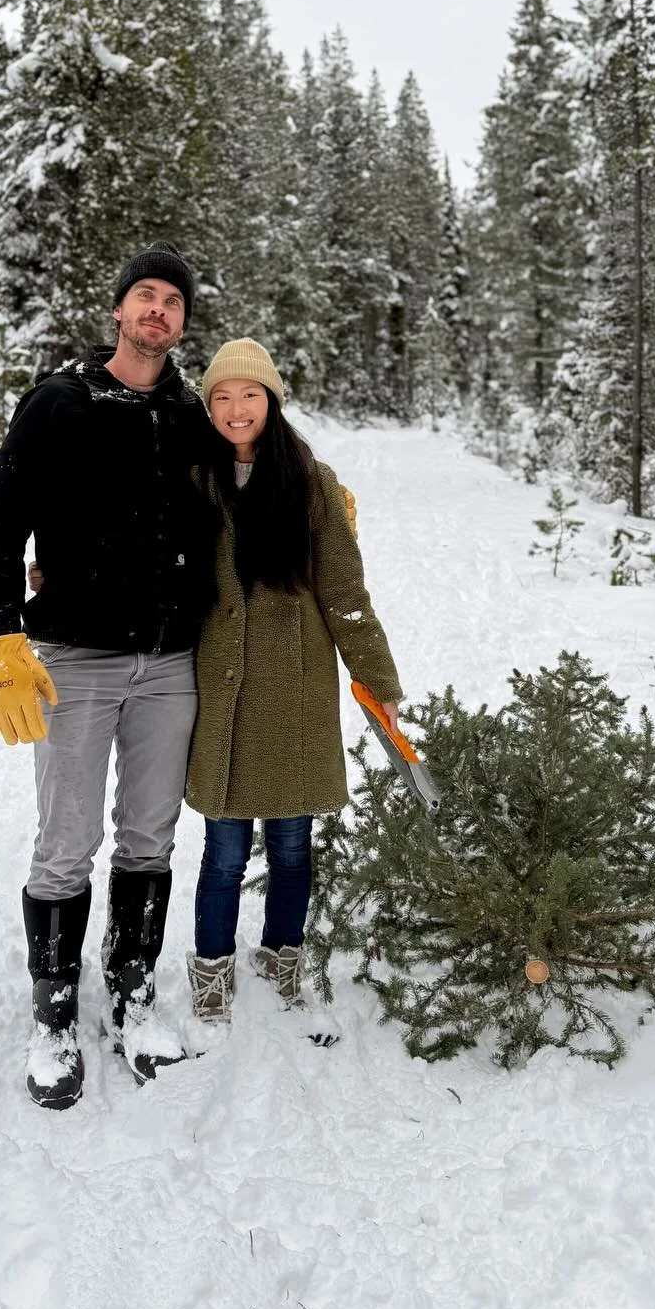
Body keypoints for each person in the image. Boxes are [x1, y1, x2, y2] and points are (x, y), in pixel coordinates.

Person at [0, 243, 216, 1108]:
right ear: (119, 310)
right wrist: (1, 634)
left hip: (170, 662)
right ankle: (54, 1010)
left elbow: (255, 476)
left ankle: (133, 992)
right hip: (77, 656)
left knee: (150, 837)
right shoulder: (63, 401)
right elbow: (2, 519)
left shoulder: (192, 414)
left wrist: (317, 500)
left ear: (184, 322)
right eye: (144, 296)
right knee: (66, 841)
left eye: (172, 302)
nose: (158, 311)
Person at [184, 338, 403, 1028]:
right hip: (223, 694)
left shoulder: (312, 482)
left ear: (271, 402)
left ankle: (284, 954)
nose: (235, 408)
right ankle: (212, 967)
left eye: (248, 394)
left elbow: (344, 592)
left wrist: (377, 677)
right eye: (221, 396)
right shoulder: (197, 480)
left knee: (289, 846)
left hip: (296, 694)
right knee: (223, 851)